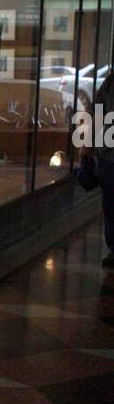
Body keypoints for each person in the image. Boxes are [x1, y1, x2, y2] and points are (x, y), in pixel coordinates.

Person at [91, 67, 114, 267]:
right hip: (109, 155)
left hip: (108, 153)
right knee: (110, 203)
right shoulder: (110, 83)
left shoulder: (110, 83)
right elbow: (97, 113)